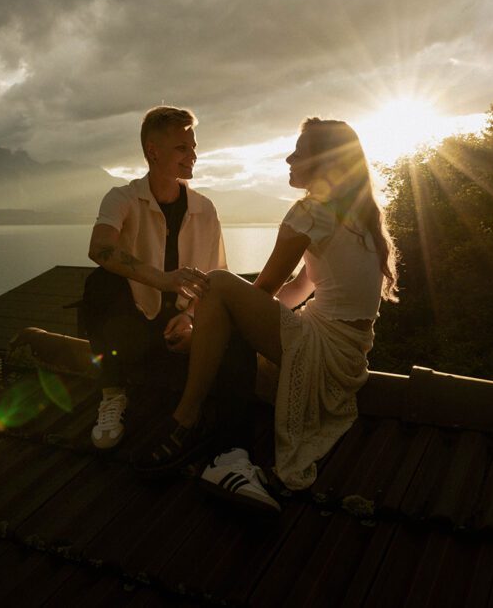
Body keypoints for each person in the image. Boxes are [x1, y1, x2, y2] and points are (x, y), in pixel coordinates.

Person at [136, 117, 399, 514]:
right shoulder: (358, 216)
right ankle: (222, 442)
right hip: (349, 359)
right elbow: (298, 289)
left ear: (325, 161)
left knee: (220, 282)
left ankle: (185, 417)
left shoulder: (311, 210)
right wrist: (216, 325)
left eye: (299, 151)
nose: (289, 158)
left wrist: (200, 322)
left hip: (322, 349)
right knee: (226, 320)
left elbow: (263, 290)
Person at [82, 105, 255, 453]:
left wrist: (190, 317)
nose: (193, 155)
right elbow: (99, 248)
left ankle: (233, 451)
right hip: (135, 329)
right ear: (153, 151)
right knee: (98, 283)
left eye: (193, 147)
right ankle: (113, 393)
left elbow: (215, 277)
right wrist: (163, 281)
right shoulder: (122, 198)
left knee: (239, 337)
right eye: (182, 148)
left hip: (183, 330)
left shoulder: (205, 208)